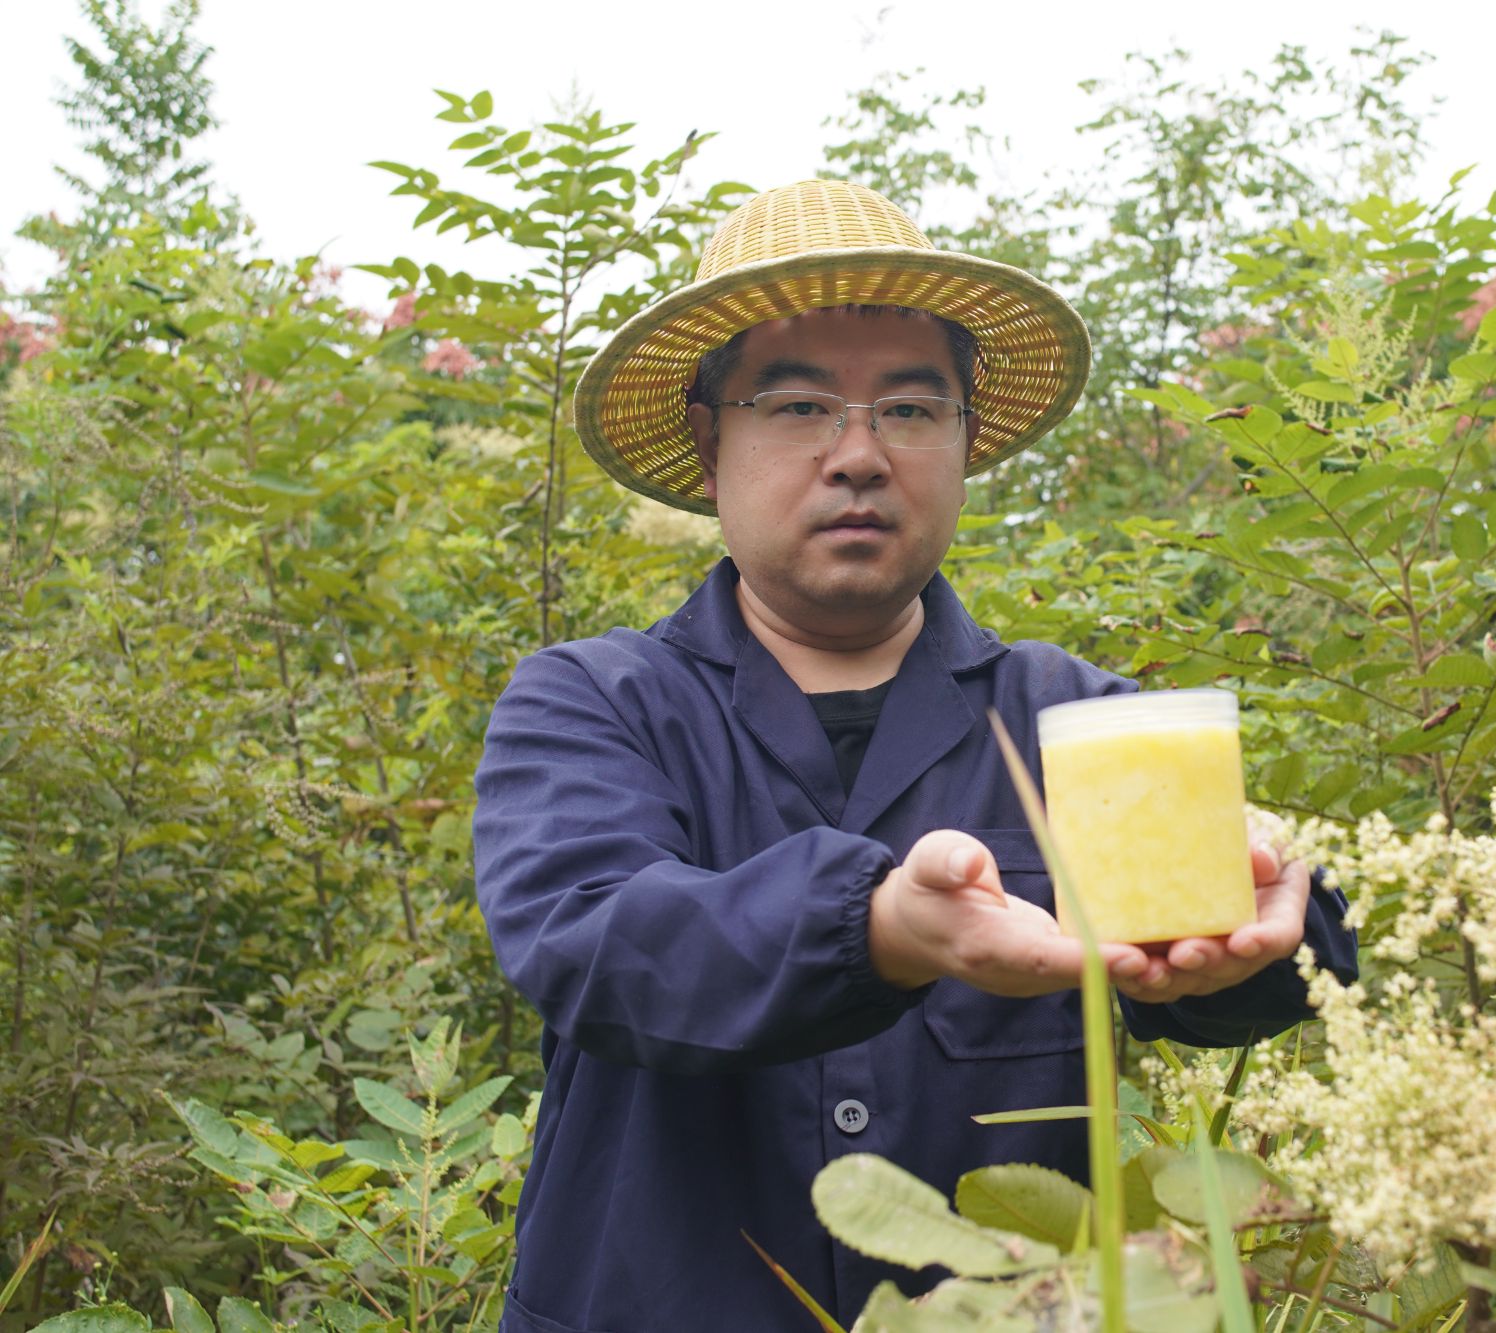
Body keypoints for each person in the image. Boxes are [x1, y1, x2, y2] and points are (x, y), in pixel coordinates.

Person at [472, 179, 1359, 1333]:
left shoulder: (1075, 719)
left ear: (964, 439)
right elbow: (599, 942)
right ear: (708, 440)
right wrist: (880, 929)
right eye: (795, 408)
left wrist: (1246, 947)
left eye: (908, 409)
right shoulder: (595, 703)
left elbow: (1292, 953)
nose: (857, 455)